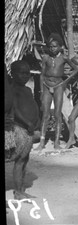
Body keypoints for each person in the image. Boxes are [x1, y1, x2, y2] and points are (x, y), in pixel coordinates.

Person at [36, 33, 78, 150]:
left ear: (60, 47)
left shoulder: (64, 58)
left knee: (57, 114)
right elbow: (42, 75)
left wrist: (67, 81)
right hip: (46, 85)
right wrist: (41, 90)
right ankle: (42, 142)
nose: (52, 48)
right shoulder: (45, 58)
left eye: (55, 46)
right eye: (50, 46)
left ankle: (56, 142)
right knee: (45, 114)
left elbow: (76, 69)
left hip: (59, 85)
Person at [5, 61, 40, 199]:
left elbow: (33, 105)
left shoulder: (28, 90)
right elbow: (15, 110)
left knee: (23, 161)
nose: (26, 76)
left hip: (28, 131)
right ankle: (18, 191)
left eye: (27, 73)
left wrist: (37, 121)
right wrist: (27, 122)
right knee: (18, 159)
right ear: (13, 74)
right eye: (22, 73)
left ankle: (19, 191)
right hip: (20, 129)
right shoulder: (12, 89)